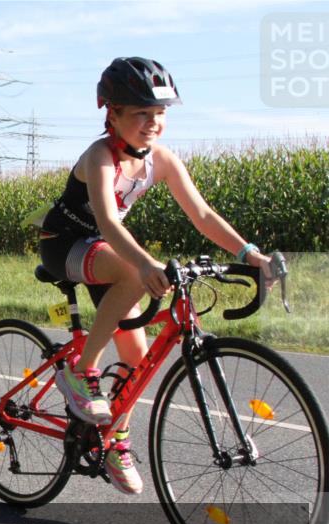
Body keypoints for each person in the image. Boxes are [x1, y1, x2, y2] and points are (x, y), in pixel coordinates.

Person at [38, 57, 272, 495]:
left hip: (107, 252)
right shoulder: (99, 157)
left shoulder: (160, 160)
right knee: (131, 272)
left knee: (136, 358)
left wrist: (248, 253)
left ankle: (115, 442)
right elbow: (107, 222)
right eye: (141, 113)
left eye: (160, 113)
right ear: (113, 114)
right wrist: (145, 265)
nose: (153, 123)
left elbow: (201, 214)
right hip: (64, 244)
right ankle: (80, 370)